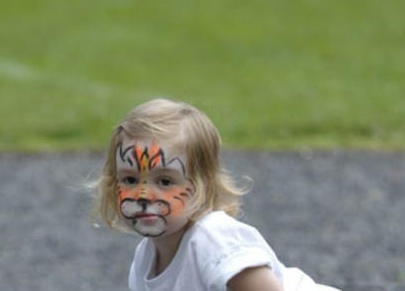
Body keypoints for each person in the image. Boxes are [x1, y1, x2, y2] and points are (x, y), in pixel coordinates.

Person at [91, 98, 340, 291]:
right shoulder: (145, 260)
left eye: (165, 181)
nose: (144, 194)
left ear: (202, 186)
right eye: (130, 180)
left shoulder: (213, 240)